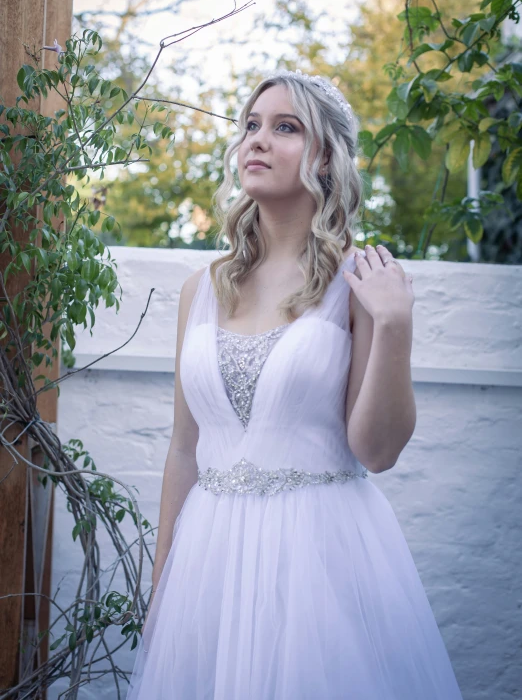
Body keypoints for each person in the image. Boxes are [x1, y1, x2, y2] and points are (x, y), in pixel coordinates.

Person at [126, 70, 463, 699]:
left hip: (320, 559)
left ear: (327, 158)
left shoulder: (359, 282)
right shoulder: (201, 290)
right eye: (252, 125)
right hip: (208, 563)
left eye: (285, 127)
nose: (258, 139)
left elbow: (377, 452)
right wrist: (162, 591)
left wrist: (392, 324)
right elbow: (182, 450)